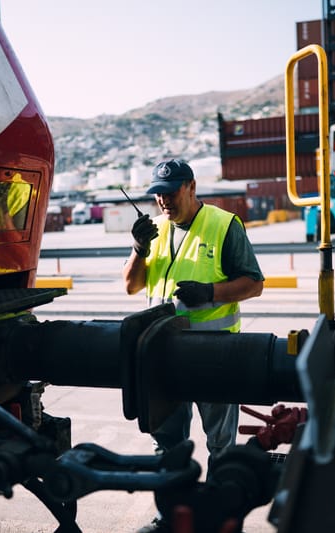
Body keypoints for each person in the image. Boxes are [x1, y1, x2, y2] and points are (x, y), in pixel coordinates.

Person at [123, 159, 264, 530]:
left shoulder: (223, 225)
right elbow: (132, 286)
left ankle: (220, 519)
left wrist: (211, 293)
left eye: (170, 193)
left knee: (221, 446)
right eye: (157, 194)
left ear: (191, 187)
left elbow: (253, 283)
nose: (163, 201)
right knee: (168, 445)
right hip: (165, 356)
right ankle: (168, 515)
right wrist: (138, 248)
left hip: (214, 353)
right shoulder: (155, 232)